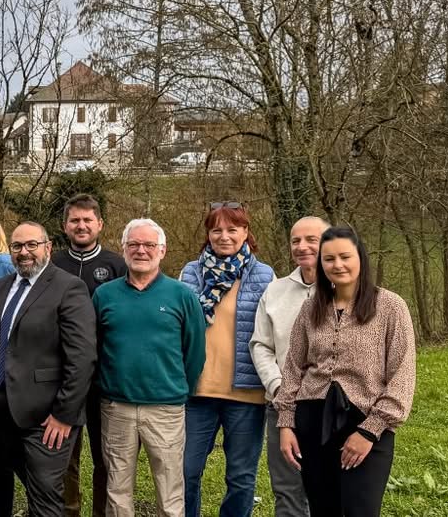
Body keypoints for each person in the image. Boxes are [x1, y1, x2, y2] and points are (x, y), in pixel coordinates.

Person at [275, 226, 416, 517]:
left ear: (360, 258)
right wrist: (287, 423)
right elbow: (293, 368)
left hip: (366, 422)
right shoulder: (311, 308)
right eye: (328, 259)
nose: (337, 265)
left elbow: (402, 375)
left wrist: (369, 430)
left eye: (344, 257)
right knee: (322, 509)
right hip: (312, 422)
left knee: (360, 509)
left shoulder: (390, 307)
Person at [0, 221, 97, 517]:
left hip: (45, 418)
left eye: (31, 245)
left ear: (48, 248)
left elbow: (82, 357)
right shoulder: (1, 287)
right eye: (17, 246)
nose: (24, 252)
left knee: (44, 498)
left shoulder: (69, 288)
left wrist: (65, 415)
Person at [94, 219, 206, 517]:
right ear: (123, 249)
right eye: (134, 244)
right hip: (117, 408)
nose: (141, 250)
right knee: (117, 491)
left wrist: (178, 389)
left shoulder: (182, 295)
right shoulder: (104, 295)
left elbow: (194, 353)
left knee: (170, 493)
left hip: (166, 409)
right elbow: (95, 348)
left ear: (162, 250)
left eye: (148, 245)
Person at [178, 202, 274, 517]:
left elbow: (273, 332)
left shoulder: (263, 275)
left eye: (232, 229)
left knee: (241, 478)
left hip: (246, 394)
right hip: (197, 392)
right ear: (208, 234)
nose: (224, 236)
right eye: (216, 229)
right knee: (186, 472)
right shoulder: (191, 272)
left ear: (246, 232)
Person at [50, 193, 127, 517]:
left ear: (100, 224)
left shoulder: (117, 265)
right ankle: (69, 511)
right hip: (61, 377)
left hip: (105, 378)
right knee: (64, 455)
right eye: (74, 220)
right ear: (65, 226)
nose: (81, 226)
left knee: (105, 457)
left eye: (87, 220)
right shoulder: (52, 263)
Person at [249, 217, 329, 517]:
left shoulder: (347, 292)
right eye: (296, 240)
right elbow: (261, 345)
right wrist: (279, 387)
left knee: (328, 489)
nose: (302, 246)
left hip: (330, 408)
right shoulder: (275, 292)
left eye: (312, 239)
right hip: (282, 406)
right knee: (287, 491)